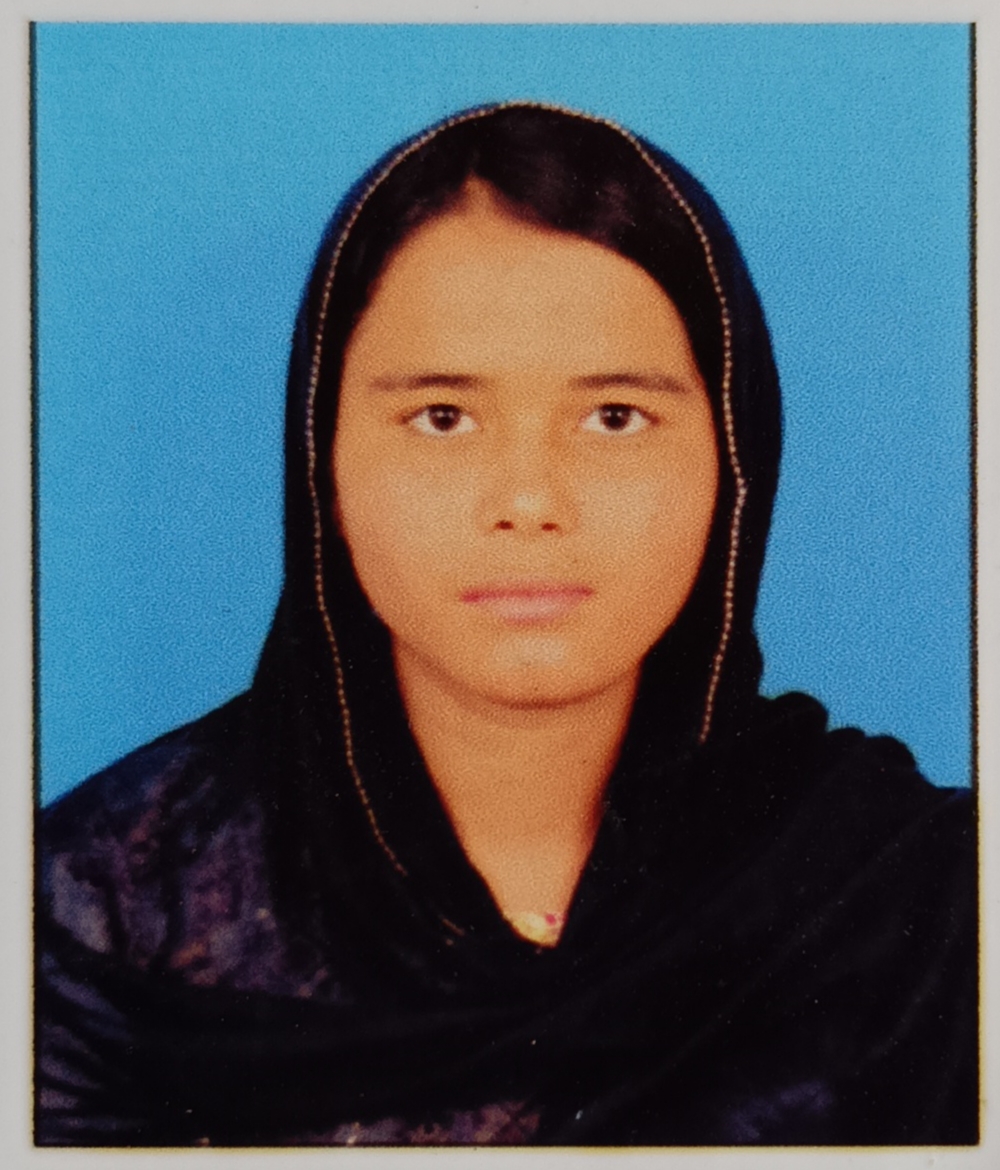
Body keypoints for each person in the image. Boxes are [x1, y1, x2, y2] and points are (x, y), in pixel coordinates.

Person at [35, 102, 977, 1147]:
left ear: (733, 465)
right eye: (442, 417)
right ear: (324, 468)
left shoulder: (919, 899)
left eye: (614, 417)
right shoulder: (98, 915)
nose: (528, 500)